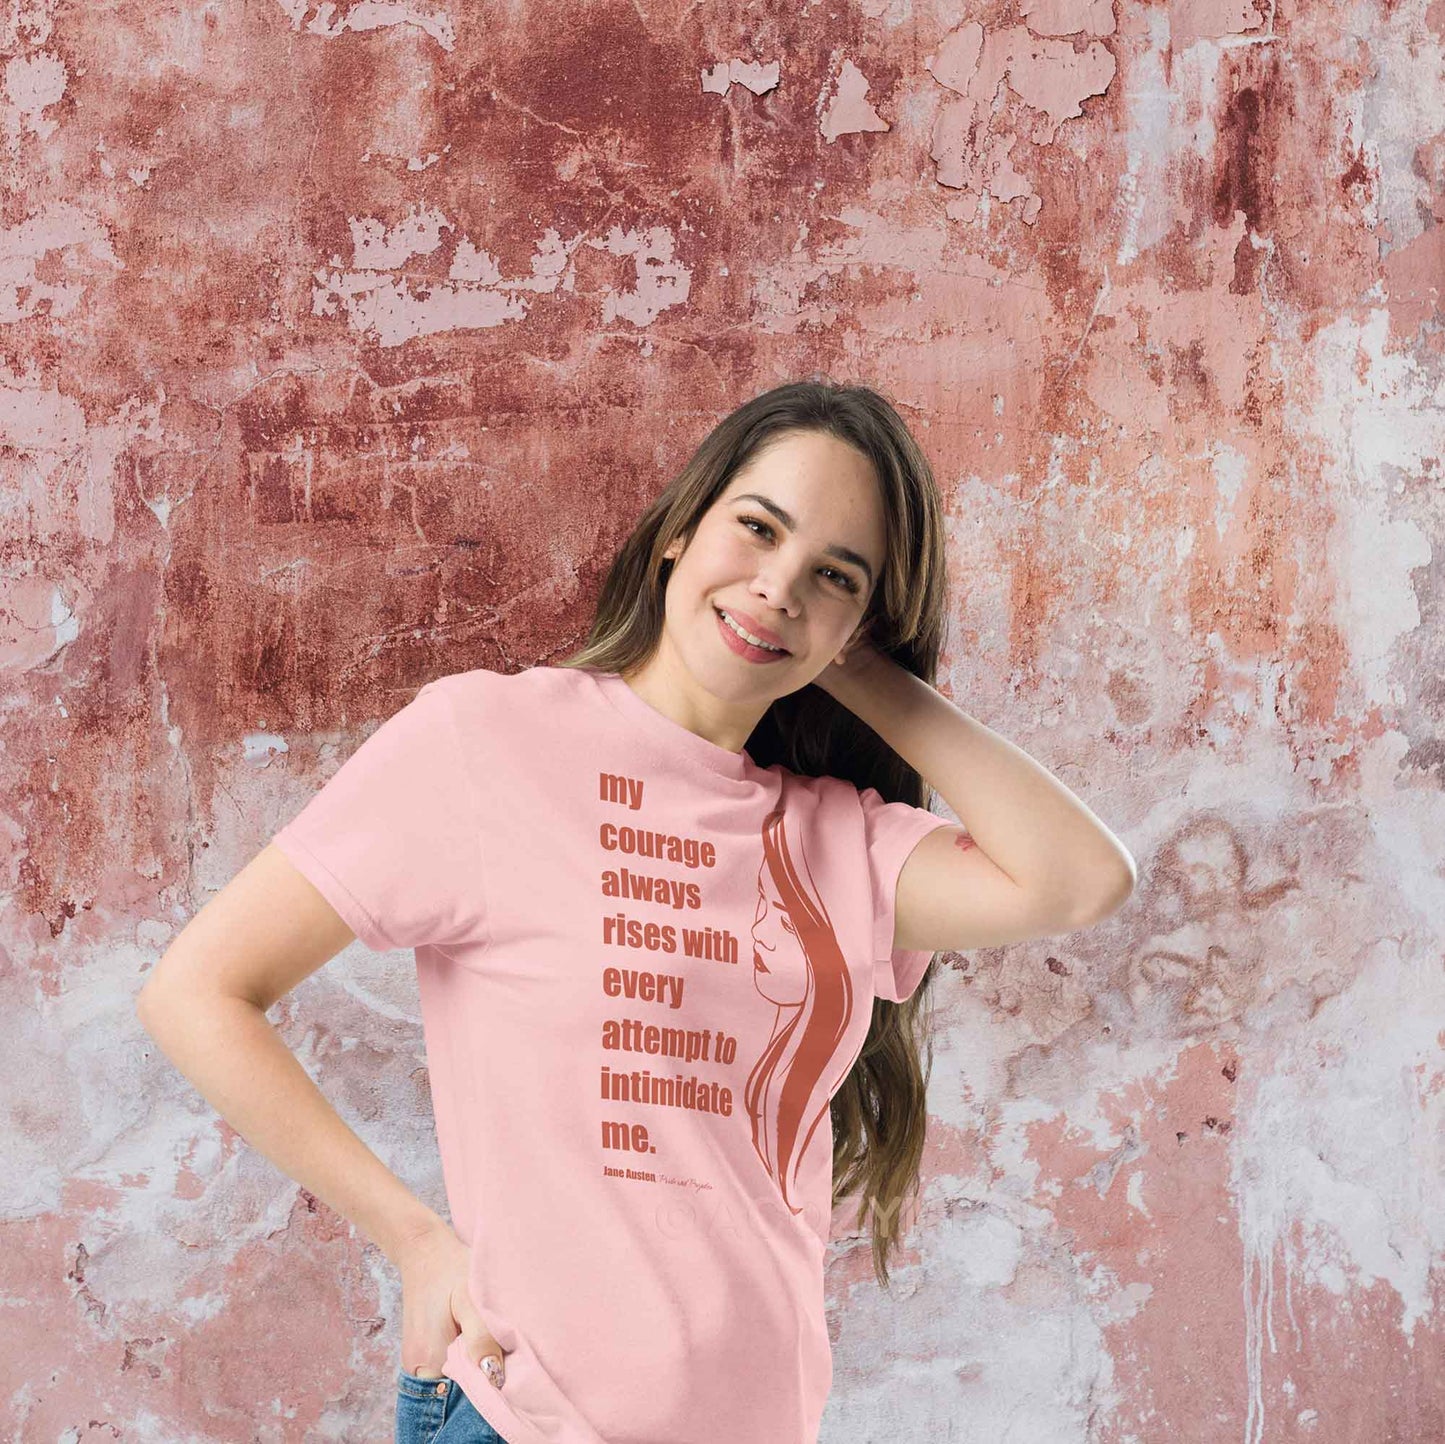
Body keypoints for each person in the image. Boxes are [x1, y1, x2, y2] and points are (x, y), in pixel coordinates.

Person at [136, 378, 1136, 1444]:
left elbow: (1076, 879)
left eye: (830, 575)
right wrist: (413, 1236)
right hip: (530, 1418)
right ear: (679, 528)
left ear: (862, 625)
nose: (774, 587)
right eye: (756, 530)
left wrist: (852, 664)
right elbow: (196, 991)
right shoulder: (487, 743)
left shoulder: (836, 840)